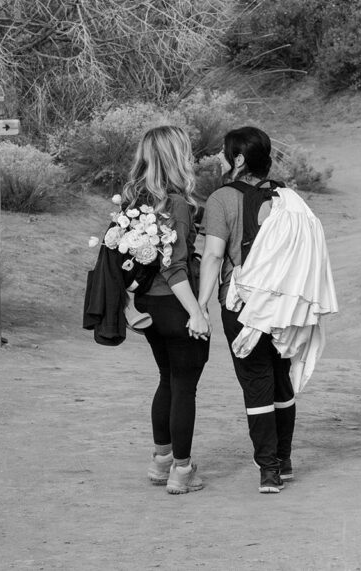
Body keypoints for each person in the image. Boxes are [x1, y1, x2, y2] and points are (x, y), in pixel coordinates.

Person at [198, 126, 296, 494]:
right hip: (283, 302)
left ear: (238, 160)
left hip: (241, 304)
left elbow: (213, 255)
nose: (221, 160)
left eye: (225, 154)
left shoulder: (222, 198)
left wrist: (202, 305)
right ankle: (283, 462)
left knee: (256, 380)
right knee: (280, 378)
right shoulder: (286, 196)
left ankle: (268, 469)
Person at [124, 125, 210, 495]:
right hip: (175, 304)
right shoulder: (174, 203)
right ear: (177, 156)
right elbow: (173, 267)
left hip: (148, 306)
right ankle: (182, 469)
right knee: (184, 386)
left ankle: (160, 461)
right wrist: (197, 312)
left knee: (166, 378)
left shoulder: (134, 201)